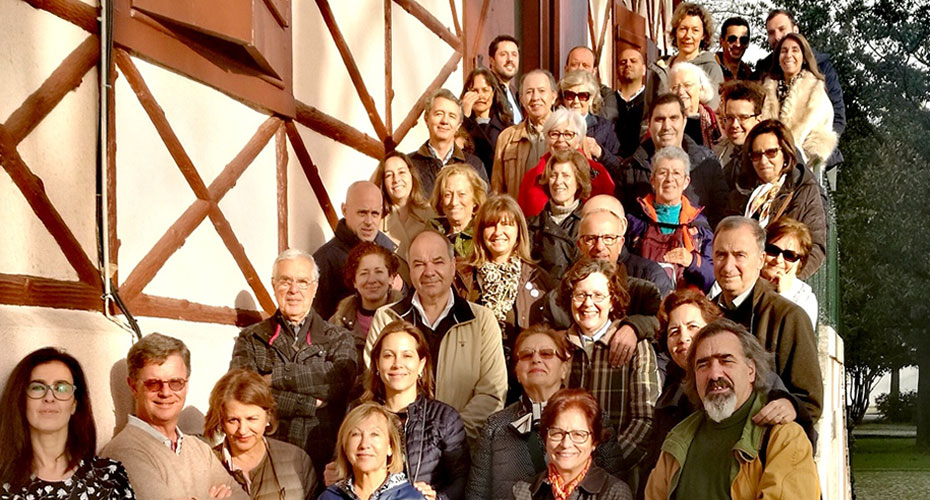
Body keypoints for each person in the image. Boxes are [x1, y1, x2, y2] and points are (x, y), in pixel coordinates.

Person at [644, 319, 820, 500]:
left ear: (751, 370)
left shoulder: (783, 437)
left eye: (726, 361)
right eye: (703, 365)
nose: (714, 374)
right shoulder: (678, 439)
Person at [365, 229, 508, 443]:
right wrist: (405, 437)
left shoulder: (481, 321)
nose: (429, 271)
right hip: (398, 446)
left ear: (452, 265)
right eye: (419, 264)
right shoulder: (387, 318)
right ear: (410, 269)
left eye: (438, 262)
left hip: (462, 449)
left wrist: (447, 436)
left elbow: (491, 394)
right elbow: (373, 385)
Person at [231, 249, 358, 476]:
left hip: (325, 461)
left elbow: (339, 380)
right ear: (273, 285)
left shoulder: (338, 338)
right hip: (268, 459)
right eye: (285, 281)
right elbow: (243, 393)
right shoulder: (251, 338)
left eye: (302, 282)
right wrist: (308, 404)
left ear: (315, 287)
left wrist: (275, 378)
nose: (293, 290)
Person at [102, 333, 248, 500]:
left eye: (175, 383)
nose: (165, 392)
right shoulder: (124, 452)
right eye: (153, 384)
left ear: (186, 384)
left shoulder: (199, 449)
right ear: (133, 387)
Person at [710, 216, 823, 424]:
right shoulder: (705, 315)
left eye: (739, 255)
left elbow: (809, 403)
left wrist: (790, 406)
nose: (728, 266)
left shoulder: (789, 317)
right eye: (721, 255)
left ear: (760, 260)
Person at [562, 259, 659, 490]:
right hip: (563, 474)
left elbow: (645, 420)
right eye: (580, 295)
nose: (588, 303)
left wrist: (604, 466)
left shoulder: (637, 348)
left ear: (612, 300)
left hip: (616, 479)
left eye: (598, 295)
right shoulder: (559, 347)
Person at [346, 321, 470, 500]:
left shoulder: (445, 418)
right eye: (388, 355)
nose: (398, 364)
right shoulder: (357, 412)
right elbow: (343, 466)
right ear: (377, 363)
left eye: (407, 356)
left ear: (421, 364)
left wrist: (438, 497)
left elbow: (462, 478)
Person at [0, 348, 135, 499]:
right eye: (37, 387)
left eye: (61, 388)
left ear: (74, 404)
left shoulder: (110, 479)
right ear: (21, 400)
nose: (49, 397)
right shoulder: (3, 483)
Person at [454, 194, 551, 401]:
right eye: (491, 225)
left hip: (522, 384)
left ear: (519, 231)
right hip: (475, 381)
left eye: (506, 224)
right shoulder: (462, 278)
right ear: (480, 232)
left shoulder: (538, 279)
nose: (498, 232)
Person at [466, 325, 572, 500]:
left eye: (546, 353)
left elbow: (612, 488)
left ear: (564, 368)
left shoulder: (592, 419)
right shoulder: (495, 426)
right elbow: (477, 494)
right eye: (526, 355)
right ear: (516, 372)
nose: (536, 359)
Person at [754, 9, 845, 175]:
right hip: (769, 163)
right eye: (771, 32)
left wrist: (811, 154)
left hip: (808, 164)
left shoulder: (820, 76)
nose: (777, 36)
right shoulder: (764, 78)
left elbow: (837, 118)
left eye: (782, 29)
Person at [617, 94, 728, 229]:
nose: (667, 126)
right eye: (660, 119)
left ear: (684, 121)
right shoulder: (630, 169)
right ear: (649, 124)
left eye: (673, 118)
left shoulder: (707, 164)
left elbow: (721, 216)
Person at [205, 369, 317, 500]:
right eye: (233, 420)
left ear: (268, 416)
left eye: (251, 419)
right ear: (221, 421)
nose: (242, 430)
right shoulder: (204, 466)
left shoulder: (298, 461)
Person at [737, 119, 827, 278]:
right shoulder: (740, 191)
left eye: (771, 152)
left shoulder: (804, 189)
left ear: (785, 153)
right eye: (756, 155)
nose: (763, 161)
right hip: (743, 279)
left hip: (781, 281)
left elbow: (816, 247)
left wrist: (789, 281)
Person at [512, 389, 633, 500]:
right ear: (545, 438)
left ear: (594, 442)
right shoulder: (523, 491)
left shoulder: (614, 493)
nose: (566, 444)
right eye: (557, 433)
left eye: (578, 434)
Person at [625, 146, 714, 292]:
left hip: (686, 301)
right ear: (652, 180)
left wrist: (692, 261)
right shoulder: (635, 222)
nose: (669, 179)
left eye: (676, 173)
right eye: (662, 173)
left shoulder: (699, 226)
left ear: (686, 181)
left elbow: (714, 277)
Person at [313, 181, 403, 319]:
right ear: (344, 210)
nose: (369, 221)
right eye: (362, 213)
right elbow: (316, 321)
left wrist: (402, 288)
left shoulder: (390, 249)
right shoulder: (324, 261)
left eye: (375, 213)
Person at [516, 107, 615, 218]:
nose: (561, 140)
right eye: (554, 134)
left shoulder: (598, 174)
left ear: (579, 140)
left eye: (568, 134)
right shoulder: (532, 177)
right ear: (547, 139)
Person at [318, 402, 426, 500]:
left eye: (374, 434)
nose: (364, 444)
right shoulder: (329, 497)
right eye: (356, 434)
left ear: (390, 447)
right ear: (345, 446)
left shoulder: (412, 498)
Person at [760, 33, 837, 169]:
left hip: (799, 167)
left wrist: (796, 158)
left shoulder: (816, 92)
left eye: (795, 50)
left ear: (804, 58)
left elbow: (821, 137)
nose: (788, 55)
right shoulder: (764, 90)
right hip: (764, 163)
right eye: (784, 51)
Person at [330, 242, 405, 361]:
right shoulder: (338, 322)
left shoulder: (407, 316)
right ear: (354, 281)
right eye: (364, 273)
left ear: (391, 277)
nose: (371, 280)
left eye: (378, 272)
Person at [409, 89, 489, 198]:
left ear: (458, 125)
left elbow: (485, 205)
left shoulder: (474, 165)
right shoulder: (409, 165)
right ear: (426, 119)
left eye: (452, 116)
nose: (445, 121)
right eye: (439, 114)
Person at [491, 69, 558, 199]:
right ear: (521, 99)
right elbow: (497, 190)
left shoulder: (570, 134)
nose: (535, 98)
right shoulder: (507, 138)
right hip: (519, 210)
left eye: (541, 91)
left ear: (553, 96)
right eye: (529, 92)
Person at [646, 2, 724, 111]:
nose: (688, 36)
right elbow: (648, 113)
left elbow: (713, 112)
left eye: (695, 30)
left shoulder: (711, 68)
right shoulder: (660, 69)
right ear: (675, 31)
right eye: (683, 29)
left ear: (703, 35)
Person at [527, 150, 591, 279]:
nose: (558, 182)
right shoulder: (532, 226)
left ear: (578, 181)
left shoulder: (589, 222)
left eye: (566, 176)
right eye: (553, 175)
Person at [371, 152, 436, 261]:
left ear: (412, 175)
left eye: (401, 172)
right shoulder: (376, 223)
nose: (396, 179)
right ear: (383, 183)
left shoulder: (431, 215)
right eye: (389, 175)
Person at [558, 70, 622, 173]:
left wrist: (600, 152)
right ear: (563, 98)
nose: (576, 101)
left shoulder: (605, 127)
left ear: (591, 99)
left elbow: (619, 168)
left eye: (582, 96)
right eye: (570, 95)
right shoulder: (555, 126)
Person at [761, 217, 818, 328]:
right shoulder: (746, 282)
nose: (778, 260)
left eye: (789, 256)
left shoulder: (805, 298)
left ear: (800, 262)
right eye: (773, 250)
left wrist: (784, 295)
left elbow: (795, 334)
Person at [460, 68, 514, 174]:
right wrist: (464, 117)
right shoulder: (460, 125)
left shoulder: (507, 128)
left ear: (493, 93)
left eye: (485, 90)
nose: (480, 96)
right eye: (474, 91)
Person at [714, 81, 765, 192]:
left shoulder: (774, 154)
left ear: (759, 119)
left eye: (743, 118)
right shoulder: (717, 154)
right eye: (730, 117)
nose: (735, 125)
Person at [429, 164, 488, 259]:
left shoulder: (484, 235)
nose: (454, 202)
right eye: (447, 195)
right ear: (440, 201)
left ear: (475, 199)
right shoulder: (430, 234)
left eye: (462, 194)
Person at [668, 62, 720, 147]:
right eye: (675, 87)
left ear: (701, 88)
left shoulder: (715, 123)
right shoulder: (664, 122)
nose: (681, 92)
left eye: (687, 85)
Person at [564, 46, 619, 125]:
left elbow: (607, 118)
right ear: (566, 69)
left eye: (585, 65)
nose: (580, 69)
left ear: (594, 71)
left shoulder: (605, 94)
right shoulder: (556, 92)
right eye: (574, 64)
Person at [612, 48, 648, 157]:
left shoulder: (651, 101)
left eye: (633, 61)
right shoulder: (608, 101)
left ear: (644, 69)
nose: (628, 64)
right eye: (623, 62)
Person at [488, 35, 522, 124]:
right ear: (491, 60)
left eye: (514, 54)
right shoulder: (486, 89)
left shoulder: (515, 93)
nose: (510, 59)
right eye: (503, 54)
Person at [715, 17, 753, 82]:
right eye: (732, 39)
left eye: (743, 40)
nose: (738, 45)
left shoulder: (750, 77)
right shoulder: (709, 69)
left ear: (748, 43)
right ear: (721, 41)